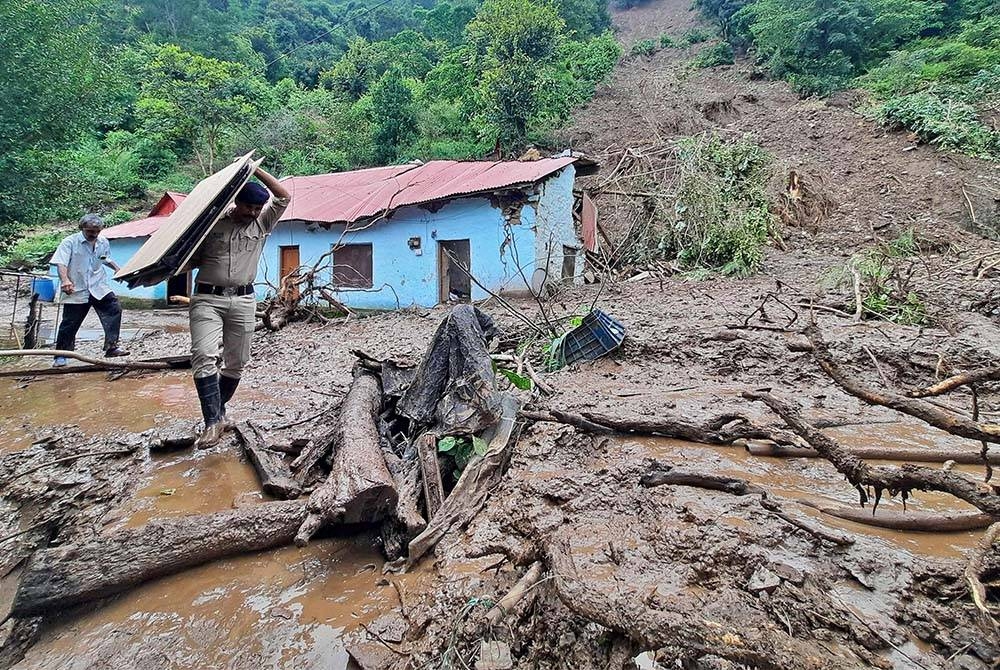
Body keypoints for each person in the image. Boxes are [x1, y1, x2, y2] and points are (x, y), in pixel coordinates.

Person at [187, 165, 291, 447]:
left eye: (258, 208)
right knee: (204, 354)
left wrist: (255, 171)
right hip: (207, 299)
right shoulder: (211, 223)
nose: (254, 213)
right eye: (249, 207)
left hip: (244, 300)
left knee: (237, 362)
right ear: (237, 203)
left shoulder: (262, 224)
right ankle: (212, 423)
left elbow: (283, 197)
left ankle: (218, 414)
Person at [50, 214, 129, 367]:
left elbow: (105, 258)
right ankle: (61, 355)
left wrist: (117, 269)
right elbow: (61, 263)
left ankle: (111, 347)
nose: (93, 234)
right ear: (82, 229)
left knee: (114, 309)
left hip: (98, 286)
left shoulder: (103, 242)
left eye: (97, 231)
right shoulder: (69, 242)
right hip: (76, 288)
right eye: (90, 231)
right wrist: (65, 280)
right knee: (70, 322)